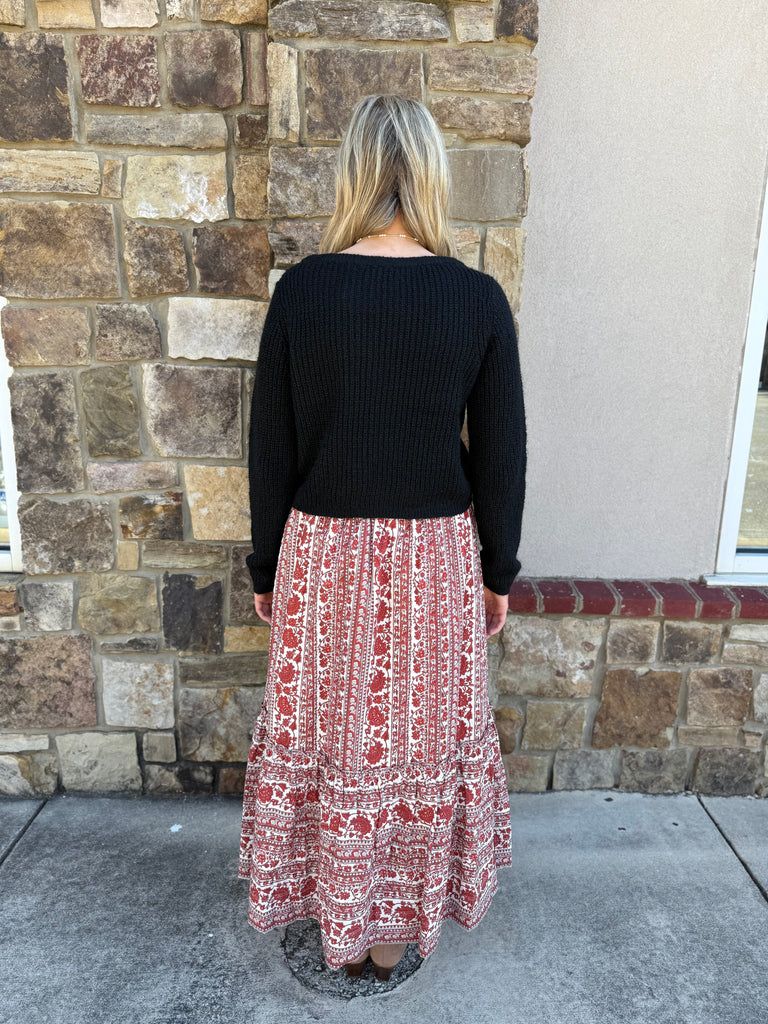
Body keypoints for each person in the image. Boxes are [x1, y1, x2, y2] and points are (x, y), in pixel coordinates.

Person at [238, 93, 527, 981]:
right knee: (413, 744)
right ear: (431, 175)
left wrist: (265, 562)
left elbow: (271, 443)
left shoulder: (306, 290)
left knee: (332, 739)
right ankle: (392, 933)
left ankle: (340, 916)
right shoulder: (474, 298)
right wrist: (497, 571)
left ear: (355, 174)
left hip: (320, 556)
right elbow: (504, 452)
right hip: (436, 560)